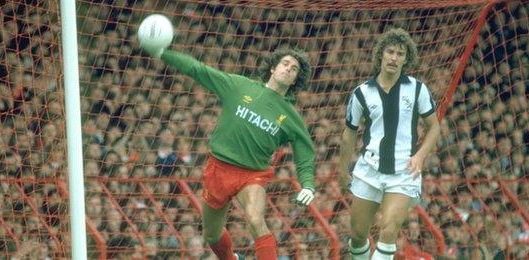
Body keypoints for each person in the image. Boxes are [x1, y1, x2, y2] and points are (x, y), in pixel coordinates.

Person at [139, 19, 317, 260]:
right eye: (285, 63)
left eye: (294, 69)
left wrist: (307, 183)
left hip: (252, 174)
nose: (288, 68)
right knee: (211, 236)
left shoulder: (291, 116)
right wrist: (164, 54)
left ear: (296, 79)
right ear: (273, 68)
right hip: (218, 168)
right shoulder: (239, 86)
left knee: (256, 220)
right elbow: (199, 70)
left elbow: (304, 150)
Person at [337, 28, 440, 260]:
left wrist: (421, 155)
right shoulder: (361, 92)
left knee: (389, 229)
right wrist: (342, 171)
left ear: (406, 59)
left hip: (404, 171)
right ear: (381, 55)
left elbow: (434, 127)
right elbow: (349, 134)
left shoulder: (417, 89)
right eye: (390, 51)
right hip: (368, 170)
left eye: (400, 53)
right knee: (357, 234)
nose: (394, 57)